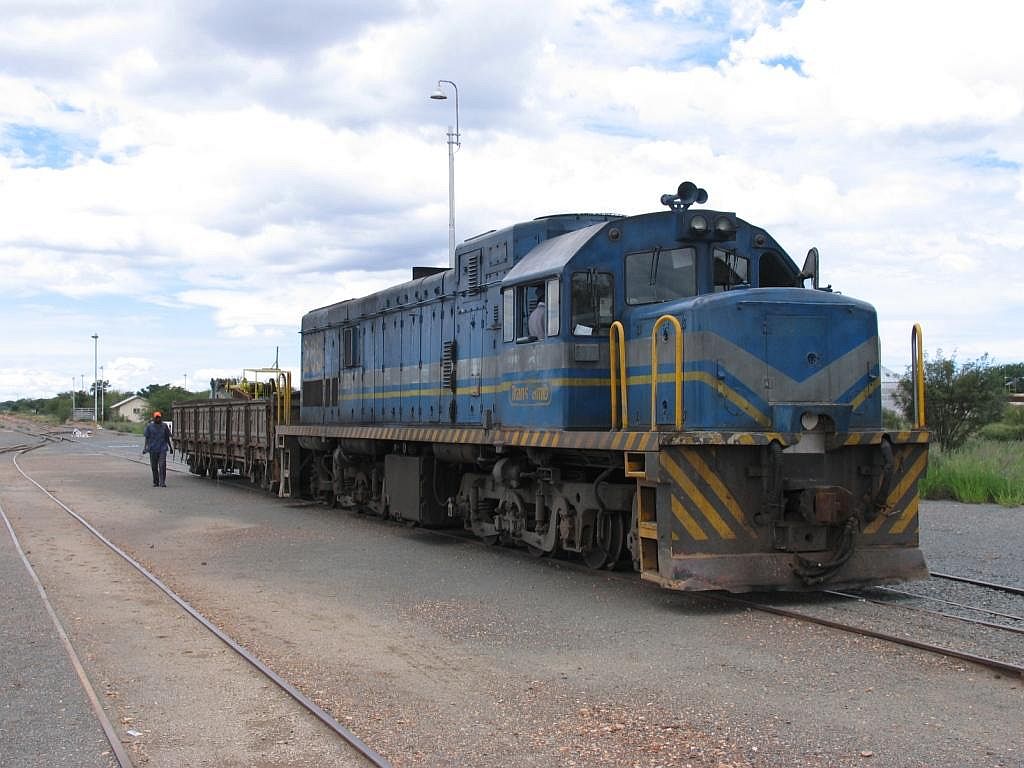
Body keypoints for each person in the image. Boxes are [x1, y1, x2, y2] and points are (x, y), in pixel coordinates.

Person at [142, 411, 174, 487]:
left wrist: (170, 447)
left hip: (162, 448)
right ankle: (156, 482)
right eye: (156, 417)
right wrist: (145, 448)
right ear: (154, 418)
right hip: (152, 449)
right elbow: (147, 437)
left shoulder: (164, 426)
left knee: (162, 465)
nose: (158, 418)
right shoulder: (149, 426)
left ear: (161, 417)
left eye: (159, 417)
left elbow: (167, 437)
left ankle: (162, 482)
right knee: (154, 466)